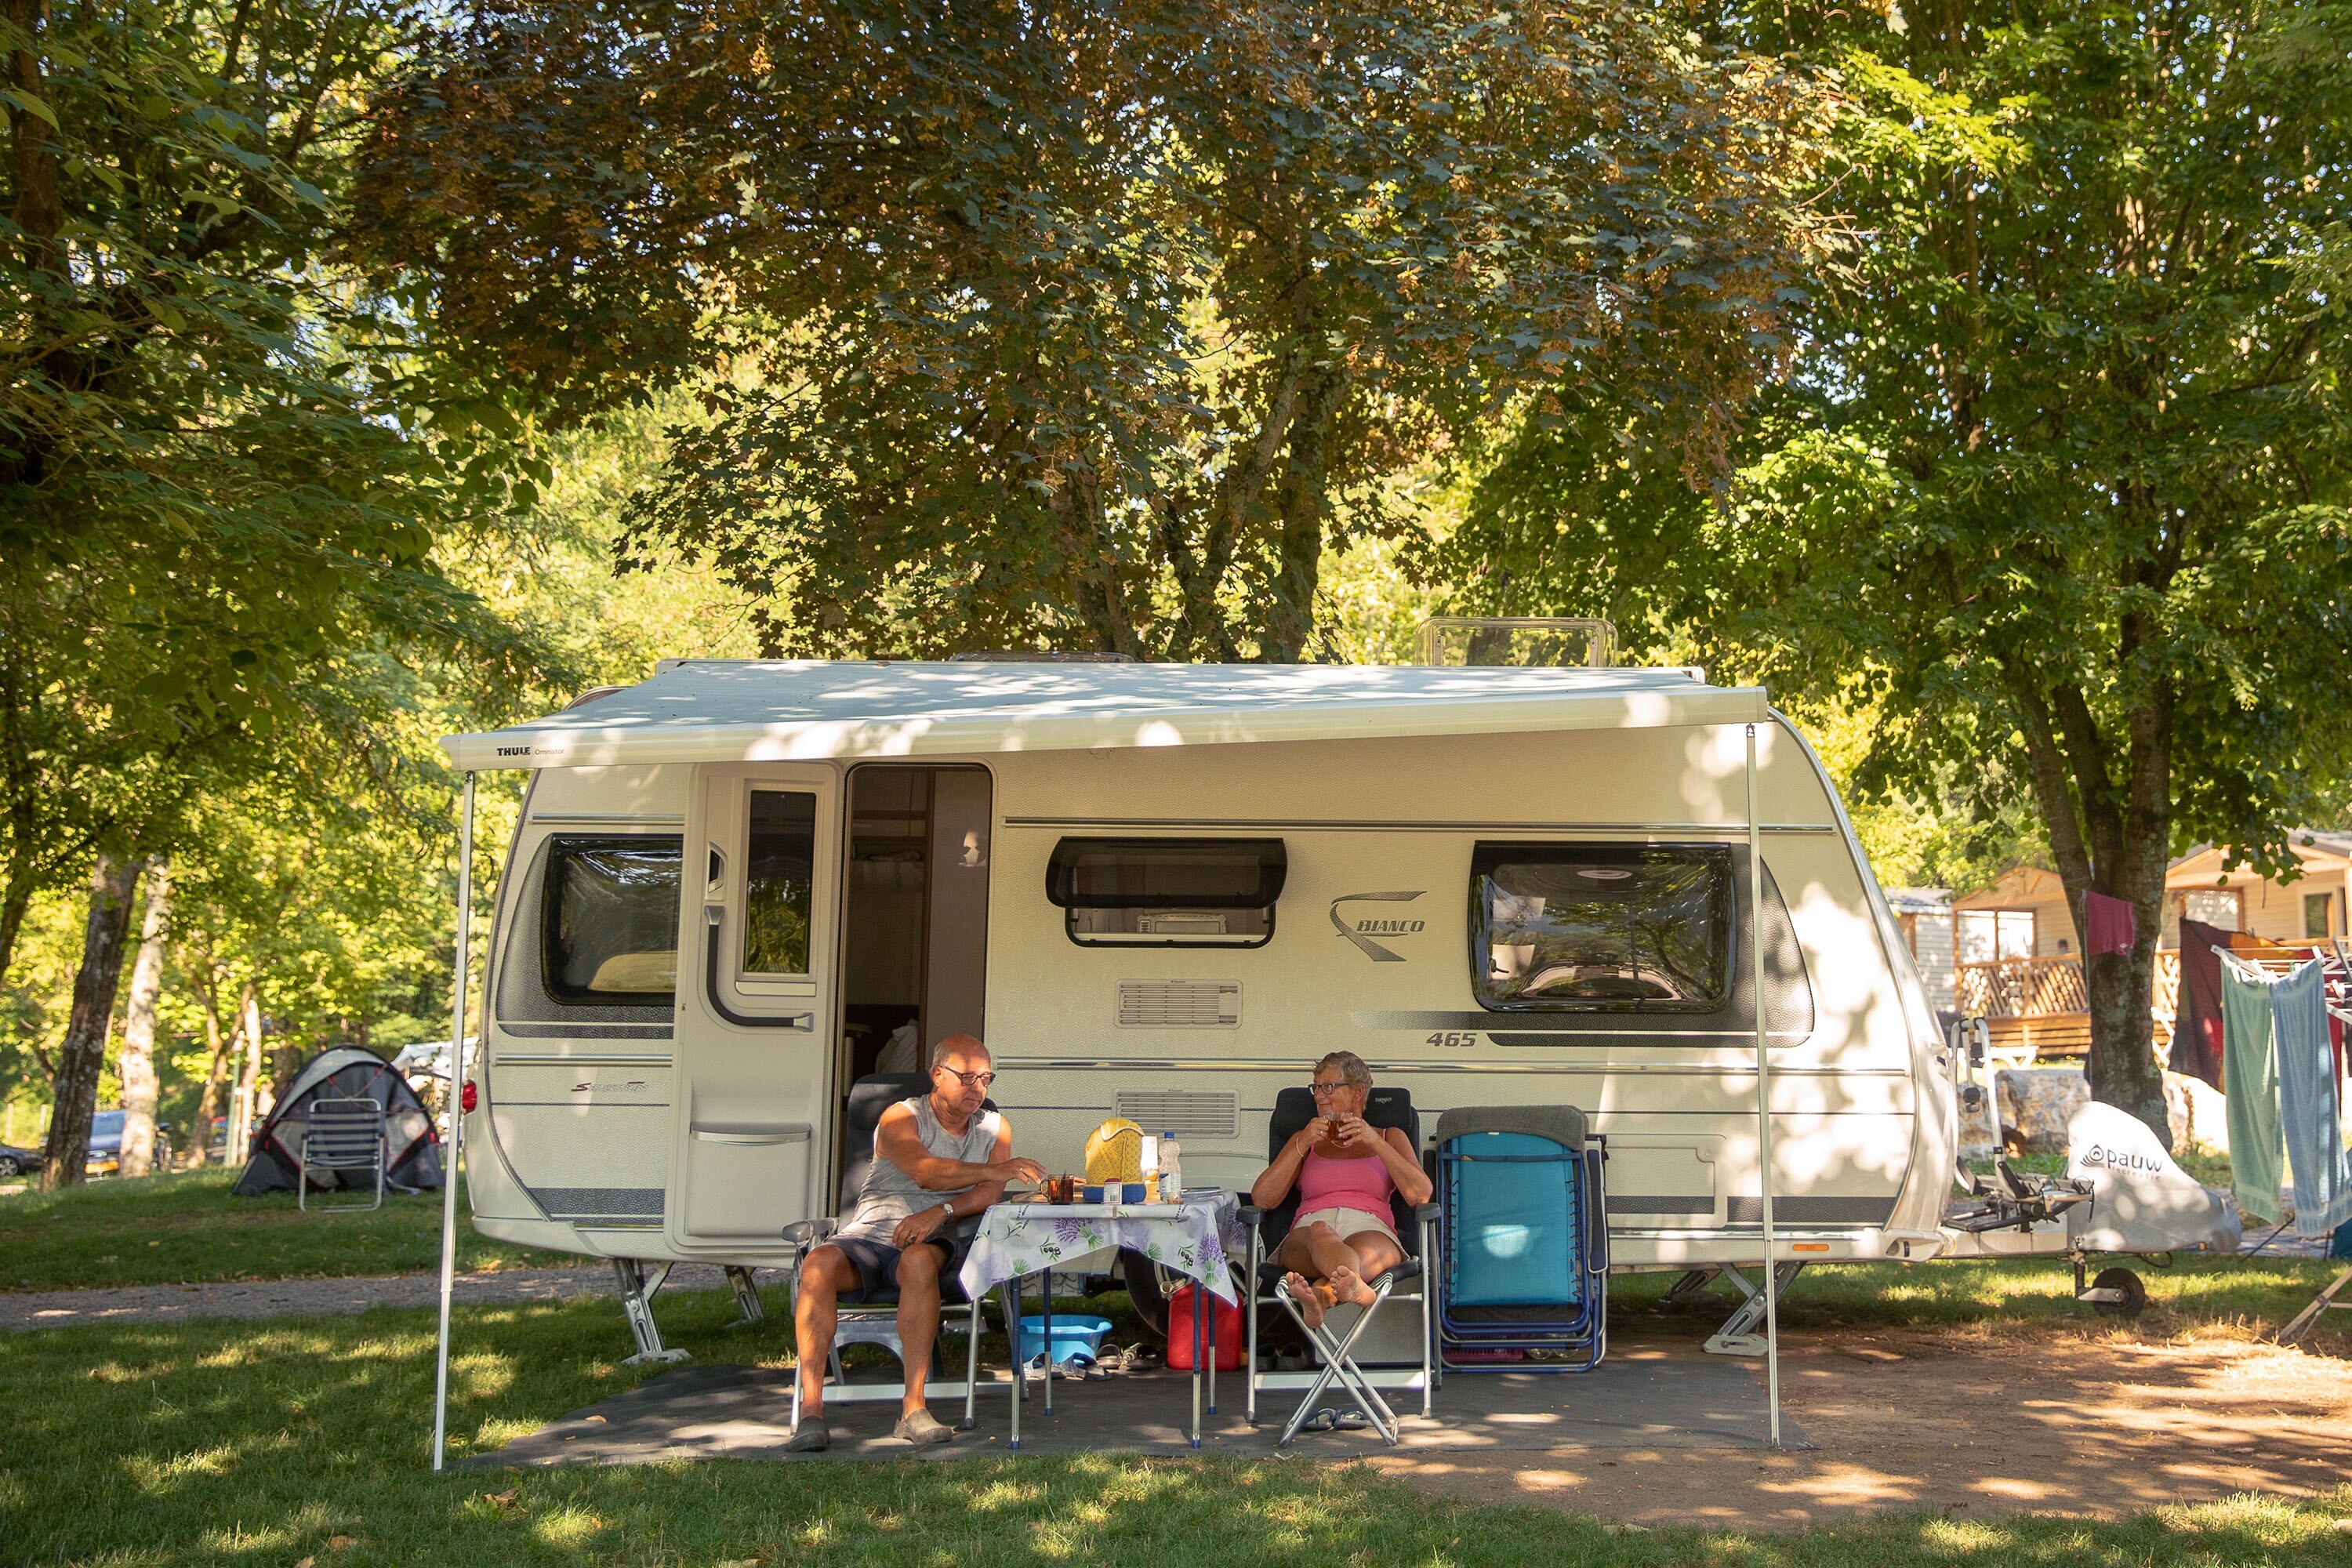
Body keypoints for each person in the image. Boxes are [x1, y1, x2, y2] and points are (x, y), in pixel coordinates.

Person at [788, 1034, 1044, 1451]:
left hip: (941, 1236)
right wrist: (998, 1170)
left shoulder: (994, 1127)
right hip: (872, 1234)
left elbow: (987, 1195)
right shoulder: (900, 1117)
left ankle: (913, 1409)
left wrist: (940, 1212)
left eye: (985, 1078)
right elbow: (925, 1172)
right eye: (966, 1077)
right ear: (937, 1075)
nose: (977, 1088)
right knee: (817, 1264)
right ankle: (812, 1412)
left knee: (919, 1260)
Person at [1249, 1050, 1432, 1329]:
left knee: (1351, 1260)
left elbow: (1420, 1194)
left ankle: (1321, 1298)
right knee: (1321, 1232)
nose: (1318, 1096)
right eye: (1316, 1088)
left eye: (1328, 1087)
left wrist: (1374, 1141)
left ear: (1358, 1092)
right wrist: (1303, 1142)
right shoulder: (1304, 1138)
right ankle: (1357, 1287)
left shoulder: (1389, 1136)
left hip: (1370, 1227)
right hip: (1310, 1231)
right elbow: (1263, 1198)